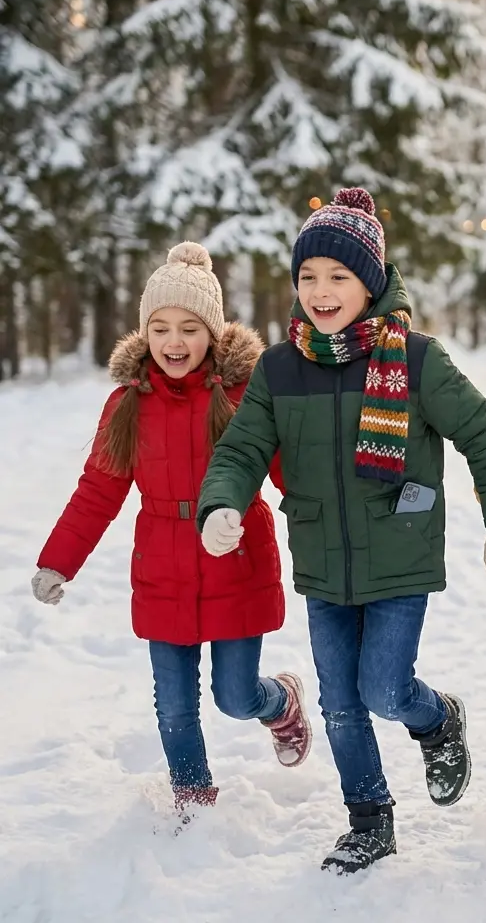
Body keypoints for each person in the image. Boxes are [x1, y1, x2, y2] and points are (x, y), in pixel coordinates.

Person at [196, 187, 486, 874]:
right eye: (308, 277)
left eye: (338, 276)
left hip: (399, 551)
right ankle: (370, 818)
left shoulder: (414, 359)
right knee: (341, 704)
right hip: (322, 557)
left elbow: (483, 433)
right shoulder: (279, 368)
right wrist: (220, 504)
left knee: (382, 688)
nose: (321, 291)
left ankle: (436, 720)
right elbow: (239, 451)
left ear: (370, 282)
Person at [32, 242, 308, 826]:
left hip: (236, 558)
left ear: (212, 332)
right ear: (144, 333)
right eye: (160, 328)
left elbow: (289, 474)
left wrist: (323, 527)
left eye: (189, 328)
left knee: (234, 698)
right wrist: (58, 562)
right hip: (163, 564)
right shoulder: (128, 405)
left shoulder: (242, 397)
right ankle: (195, 803)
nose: (174, 342)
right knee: (175, 708)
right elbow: (98, 490)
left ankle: (279, 700)